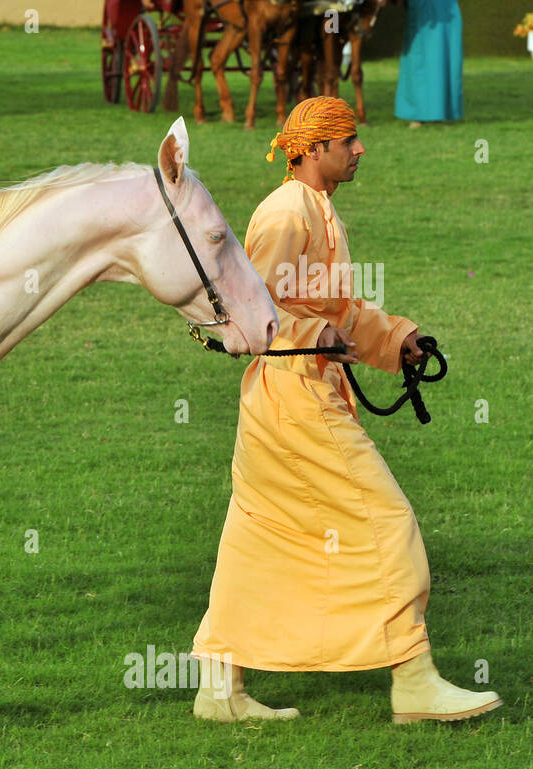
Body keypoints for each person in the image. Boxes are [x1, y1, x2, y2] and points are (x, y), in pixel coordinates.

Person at [191, 96, 500, 725]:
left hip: (294, 395)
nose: (360, 151)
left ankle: (219, 691)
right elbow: (251, 315)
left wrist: (395, 339)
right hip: (293, 398)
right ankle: (414, 681)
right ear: (314, 150)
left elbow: (338, 315)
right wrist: (309, 332)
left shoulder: (318, 208)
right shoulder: (285, 213)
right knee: (387, 523)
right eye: (349, 141)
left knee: (258, 536)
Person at [395, 0, 463, 127]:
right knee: (418, 60)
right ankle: (418, 115)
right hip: (421, 9)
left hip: (445, 8)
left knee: (443, 55)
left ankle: (440, 112)